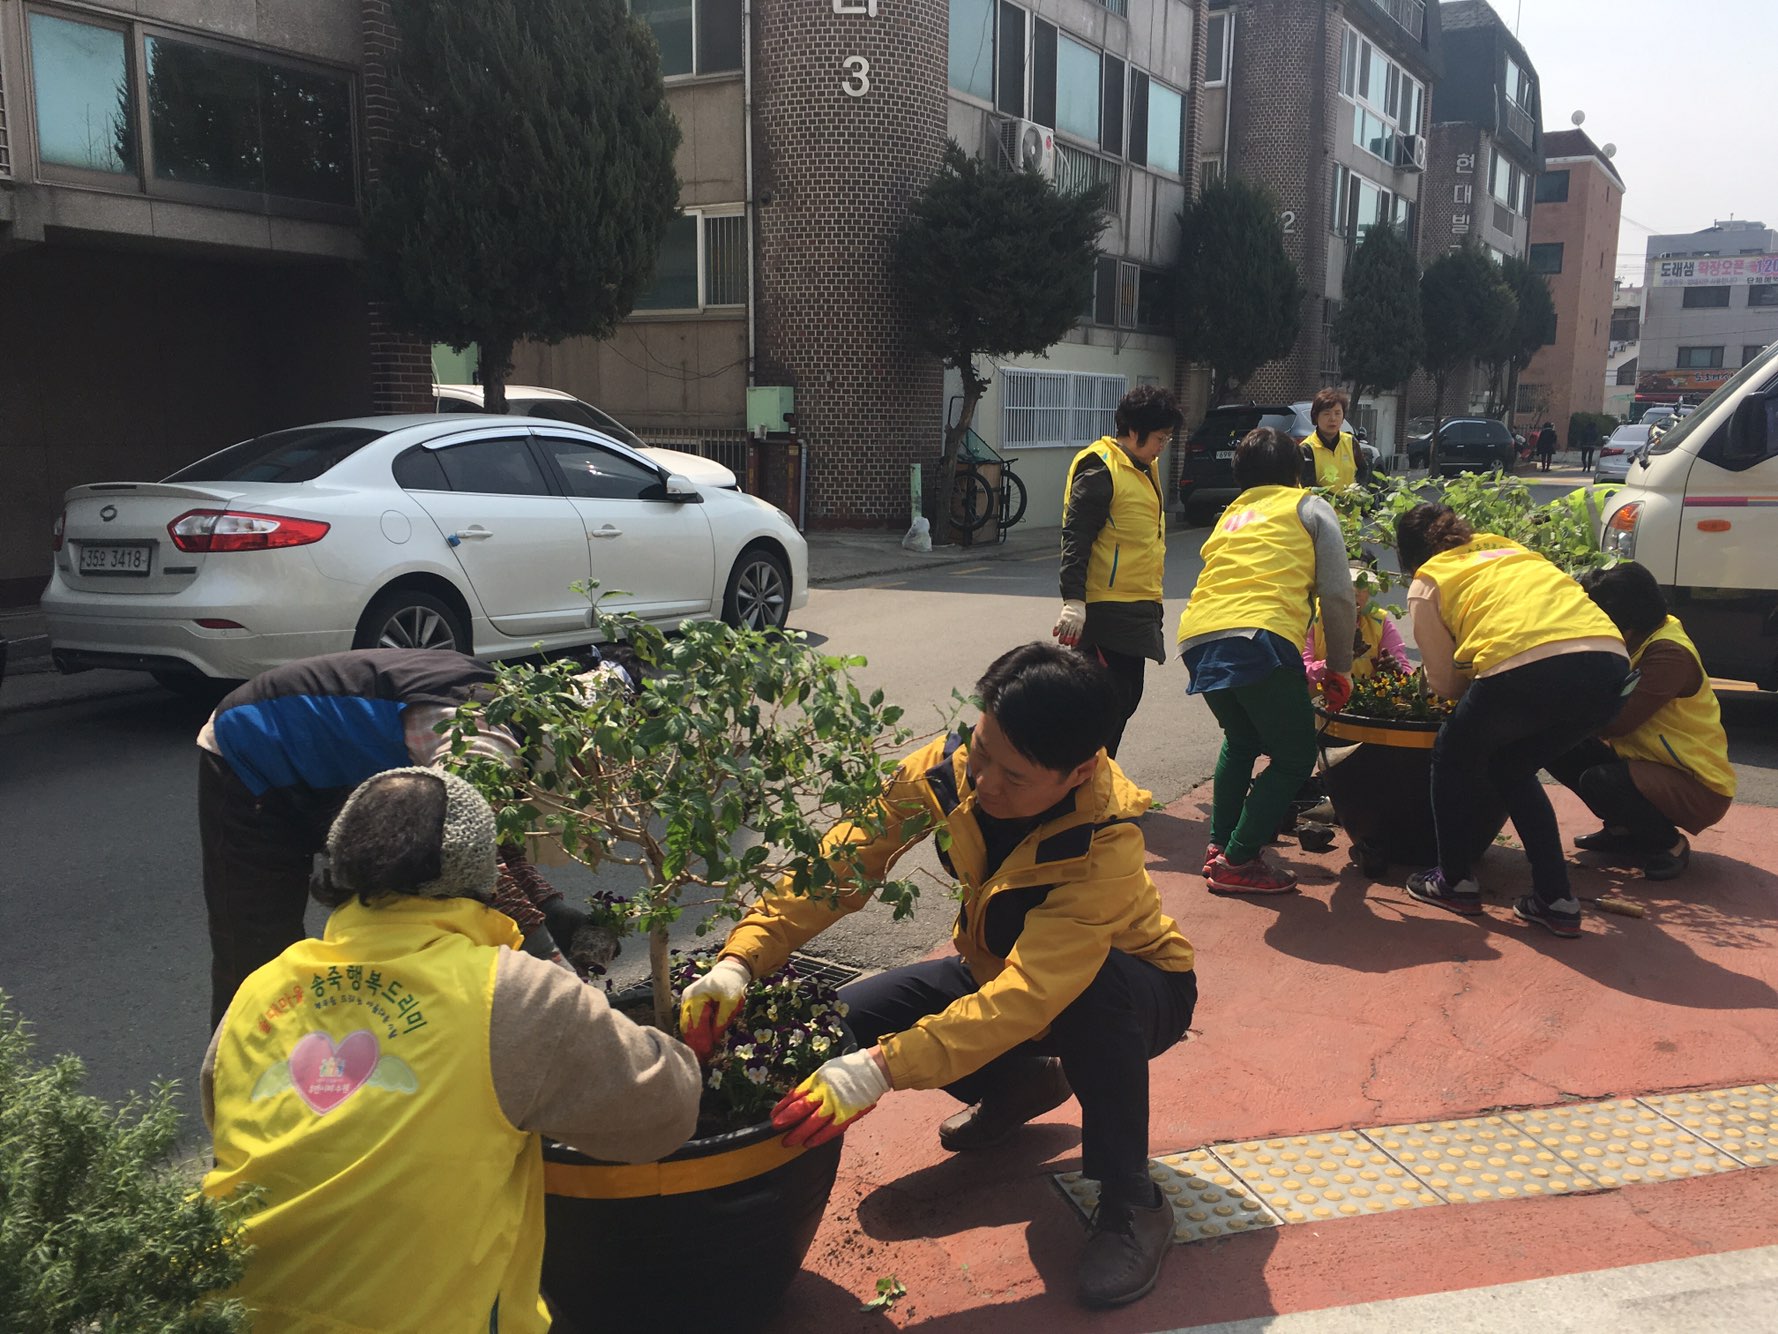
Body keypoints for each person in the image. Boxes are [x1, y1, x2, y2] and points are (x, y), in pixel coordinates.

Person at [678, 643, 1197, 1310]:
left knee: (1087, 995)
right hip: (990, 970)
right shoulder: (947, 768)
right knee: (845, 1018)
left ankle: (1132, 1201)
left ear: (1079, 772)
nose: (984, 782)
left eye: (1013, 776)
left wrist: (883, 1070)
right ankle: (1017, 1084)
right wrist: (740, 959)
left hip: (1136, 990)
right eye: (981, 753)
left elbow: (1034, 991)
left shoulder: (1106, 845)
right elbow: (844, 860)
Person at [201, 767, 702, 1331]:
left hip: (222, 1313)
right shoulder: (511, 993)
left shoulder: (259, 989)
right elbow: (665, 1114)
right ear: (484, 877)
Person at [197, 648, 617, 1025]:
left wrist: (549, 906)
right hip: (254, 750)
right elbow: (472, 852)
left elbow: (491, 833)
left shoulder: (513, 709)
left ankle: (366, 1058)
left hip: (348, 768)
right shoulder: (476, 737)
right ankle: (242, 1082)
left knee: (390, 924)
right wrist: (550, 962)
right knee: (256, 954)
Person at [1397, 504, 1629, 937]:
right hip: (1609, 665)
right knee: (1511, 766)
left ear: (1408, 555)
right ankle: (1555, 899)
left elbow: (1445, 683)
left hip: (1522, 665)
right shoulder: (1510, 549)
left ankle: (1453, 881)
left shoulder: (1429, 579)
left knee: (1450, 753)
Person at [1176, 428, 1356, 894]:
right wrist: (1340, 666)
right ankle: (1237, 858)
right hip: (1260, 635)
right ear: (1298, 472)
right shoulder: (1309, 507)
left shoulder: (1231, 515)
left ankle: (1220, 846)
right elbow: (1337, 595)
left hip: (1197, 635)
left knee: (1240, 739)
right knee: (1295, 755)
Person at [1546, 563, 1734, 880]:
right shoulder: (1645, 633)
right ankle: (1623, 830)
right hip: (1649, 763)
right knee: (1555, 746)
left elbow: (1615, 722)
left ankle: (1669, 844)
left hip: (1697, 785)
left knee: (1600, 779)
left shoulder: (1668, 654)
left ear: (1626, 623)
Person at [1053, 385, 1184, 758]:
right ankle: (1083, 793)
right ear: (1132, 431)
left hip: (1140, 602)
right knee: (1104, 707)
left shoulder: (1144, 466)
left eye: (1167, 438)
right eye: (1159, 438)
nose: (1163, 446)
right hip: (1106, 608)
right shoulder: (1099, 469)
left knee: (1123, 701)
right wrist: (1074, 601)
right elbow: (1076, 537)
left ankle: (1096, 789)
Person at [1304, 565, 1410, 685]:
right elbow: (1299, 673)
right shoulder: (1312, 617)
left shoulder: (1379, 621)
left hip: (1363, 700)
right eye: (1348, 581)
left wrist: (1397, 673)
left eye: (1362, 584)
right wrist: (1336, 663)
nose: (1355, 592)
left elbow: (1406, 671)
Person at [1301, 387, 1360, 488]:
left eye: (1337, 413)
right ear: (1316, 417)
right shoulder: (1306, 449)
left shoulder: (1350, 442)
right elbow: (1308, 485)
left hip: (1350, 502)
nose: (1333, 418)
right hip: (1319, 503)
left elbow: (1363, 471)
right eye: (1326, 413)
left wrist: (1358, 490)